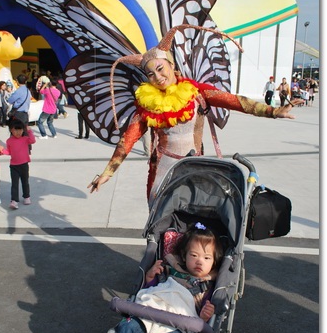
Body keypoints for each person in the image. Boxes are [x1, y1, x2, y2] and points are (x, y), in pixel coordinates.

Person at [88, 25, 302, 208]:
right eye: (151, 74)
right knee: (160, 224)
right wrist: (108, 172)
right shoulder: (147, 104)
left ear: (172, 65)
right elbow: (128, 140)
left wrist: (273, 111)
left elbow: (235, 101)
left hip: (195, 168)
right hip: (161, 171)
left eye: (161, 69)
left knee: (195, 221)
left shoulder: (197, 92)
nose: (158, 77)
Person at [117, 223, 223, 333]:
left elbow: (199, 319)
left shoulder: (208, 287)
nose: (199, 261)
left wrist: (205, 316)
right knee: (127, 327)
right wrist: (150, 277)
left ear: (214, 262)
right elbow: (153, 291)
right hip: (151, 311)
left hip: (176, 323)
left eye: (206, 258)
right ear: (184, 255)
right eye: (194, 255)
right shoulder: (170, 269)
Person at [3, 119, 36, 209]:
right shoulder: (9, 141)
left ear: (23, 130)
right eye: (15, 130)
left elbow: (33, 140)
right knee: (14, 183)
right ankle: (14, 200)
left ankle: (26, 196)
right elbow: (9, 151)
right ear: (11, 130)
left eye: (20, 130)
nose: (18, 132)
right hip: (14, 166)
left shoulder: (25, 139)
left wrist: (29, 130)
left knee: (25, 182)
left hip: (24, 165)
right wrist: (1, 151)